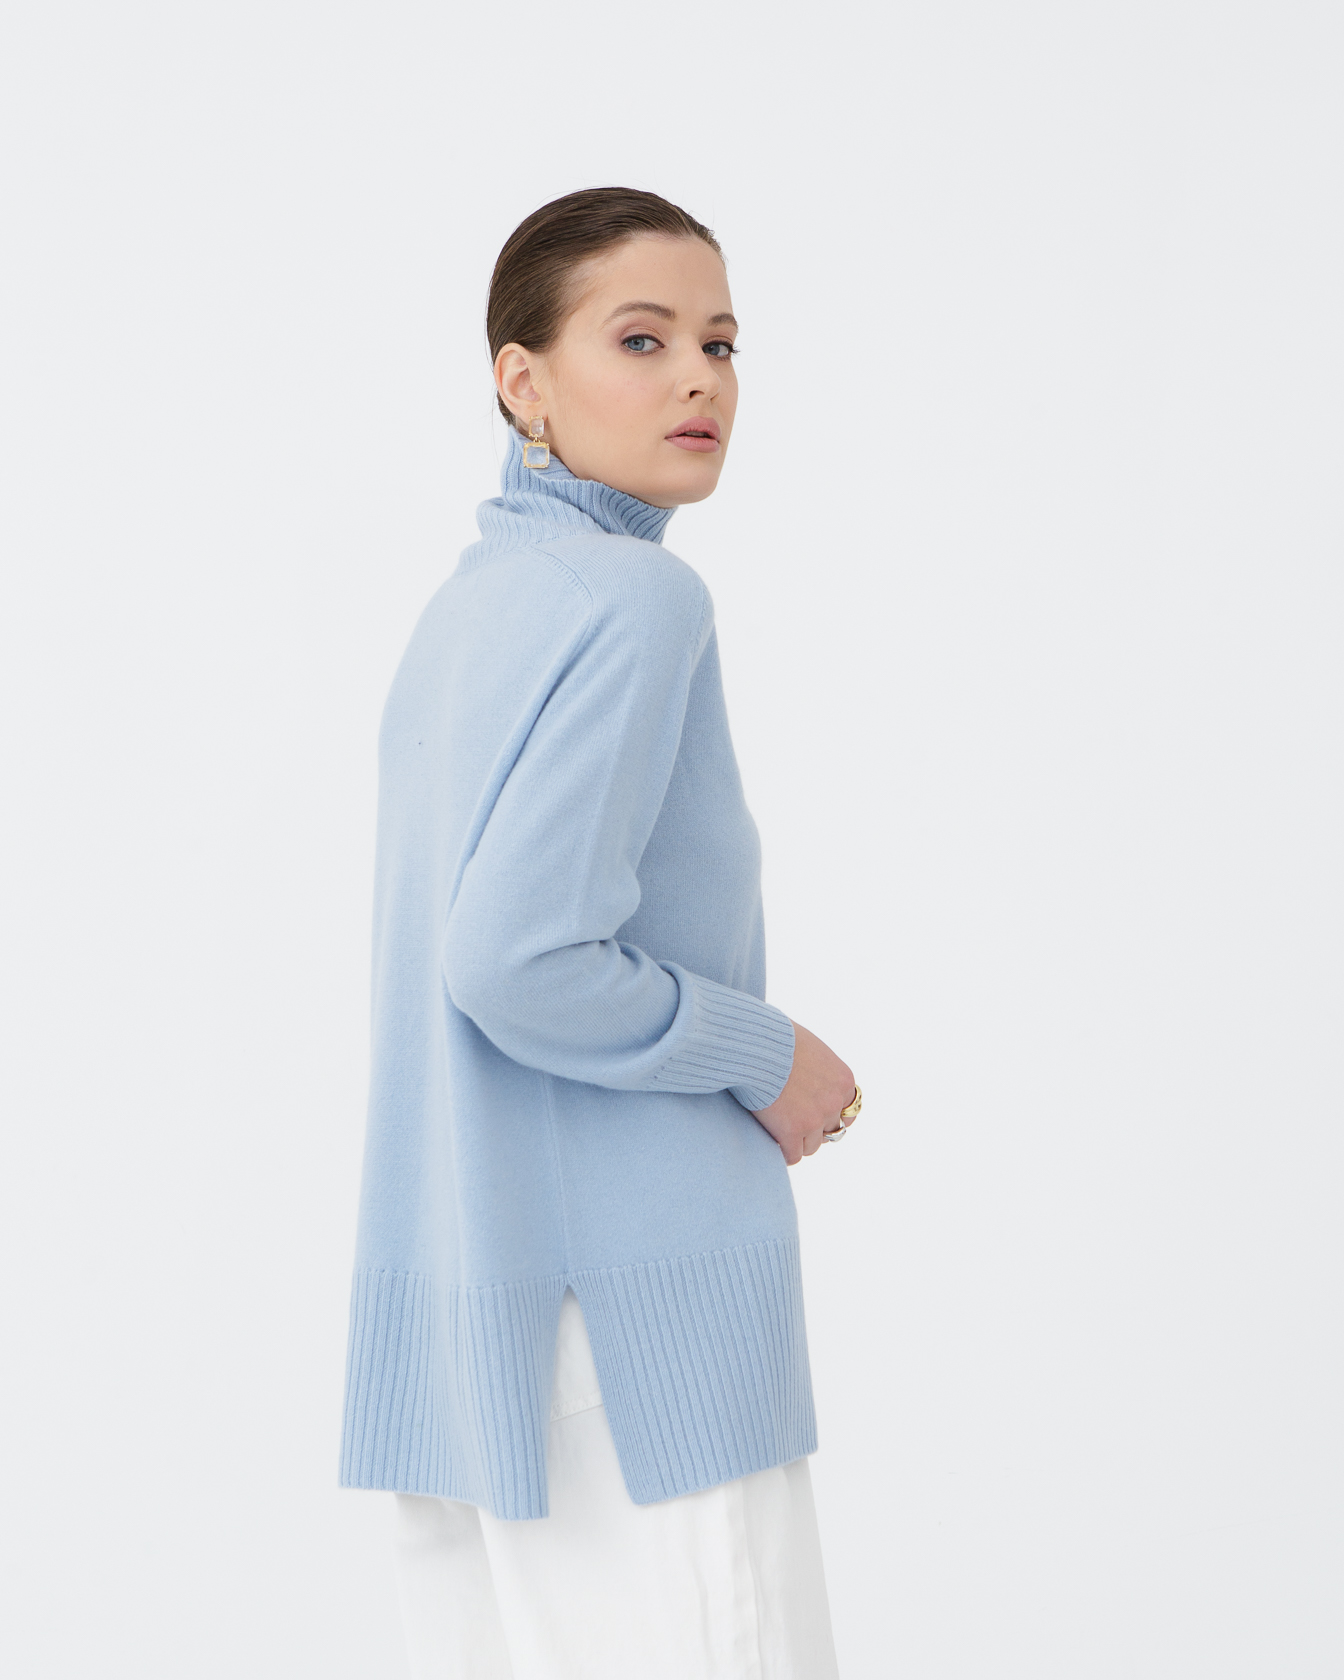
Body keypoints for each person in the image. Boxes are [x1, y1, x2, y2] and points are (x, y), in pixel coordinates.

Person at [340, 186, 861, 1679]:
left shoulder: (472, 607)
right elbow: (516, 960)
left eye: (720, 342)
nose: (700, 377)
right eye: (642, 339)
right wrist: (767, 1053)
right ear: (523, 382)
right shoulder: (638, 601)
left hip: (478, 1324)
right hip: (639, 1333)